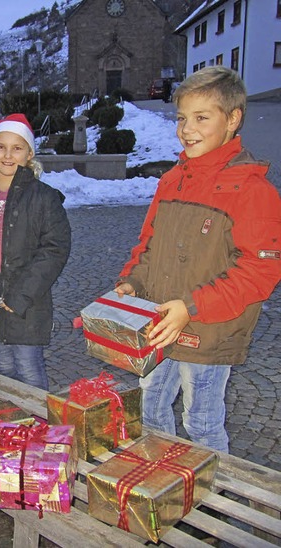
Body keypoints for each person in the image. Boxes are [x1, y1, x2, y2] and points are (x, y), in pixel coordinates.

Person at [115, 66, 281, 453]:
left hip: (210, 331)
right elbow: (149, 245)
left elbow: (260, 269)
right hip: (160, 323)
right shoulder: (172, 180)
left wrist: (191, 307)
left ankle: (212, 501)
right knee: (152, 407)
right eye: (182, 118)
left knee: (201, 424)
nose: (186, 129)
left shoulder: (253, 190)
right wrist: (132, 283)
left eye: (201, 118)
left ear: (233, 119)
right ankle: (162, 487)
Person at [0, 114, 71, 390]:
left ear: (29, 153)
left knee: (29, 368)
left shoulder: (43, 197)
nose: (8, 155)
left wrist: (20, 296)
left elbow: (54, 250)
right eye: (1, 146)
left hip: (26, 304)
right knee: (2, 367)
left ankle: (38, 427)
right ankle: (12, 428)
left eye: (17, 148)